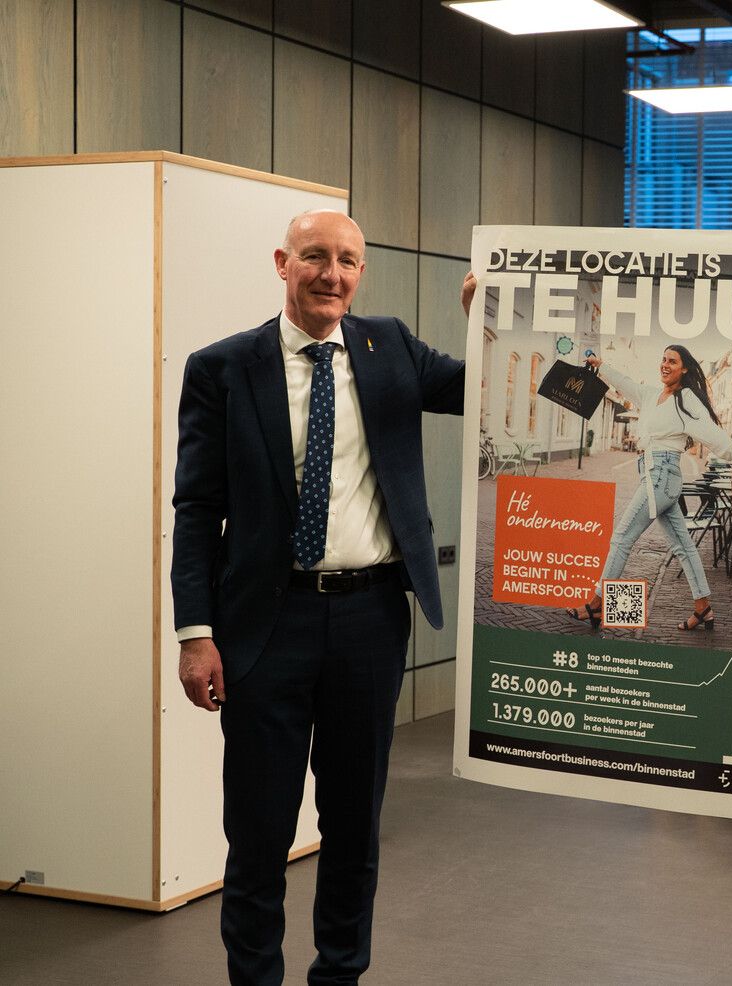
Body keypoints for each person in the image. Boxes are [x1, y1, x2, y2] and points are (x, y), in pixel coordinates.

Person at [172, 209, 475, 985]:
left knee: (353, 830)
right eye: (314, 256)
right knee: (258, 833)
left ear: (361, 272)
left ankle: (339, 975)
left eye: (346, 260)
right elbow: (197, 510)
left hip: (371, 621)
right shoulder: (222, 368)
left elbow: (481, 392)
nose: (331, 274)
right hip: (264, 627)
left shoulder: (392, 348)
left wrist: (492, 325)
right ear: (283, 263)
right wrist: (195, 633)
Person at [567, 345, 732, 631]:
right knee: (684, 546)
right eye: (663, 359)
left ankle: (597, 605)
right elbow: (626, 383)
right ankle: (703, 608)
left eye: (672, 361)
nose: (665, 365)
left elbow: (713, 435)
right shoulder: (651, 396)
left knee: (621, 538)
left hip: (661, 475)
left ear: (684, 369)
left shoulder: (687, 400)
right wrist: (601, 366)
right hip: (654, 474)